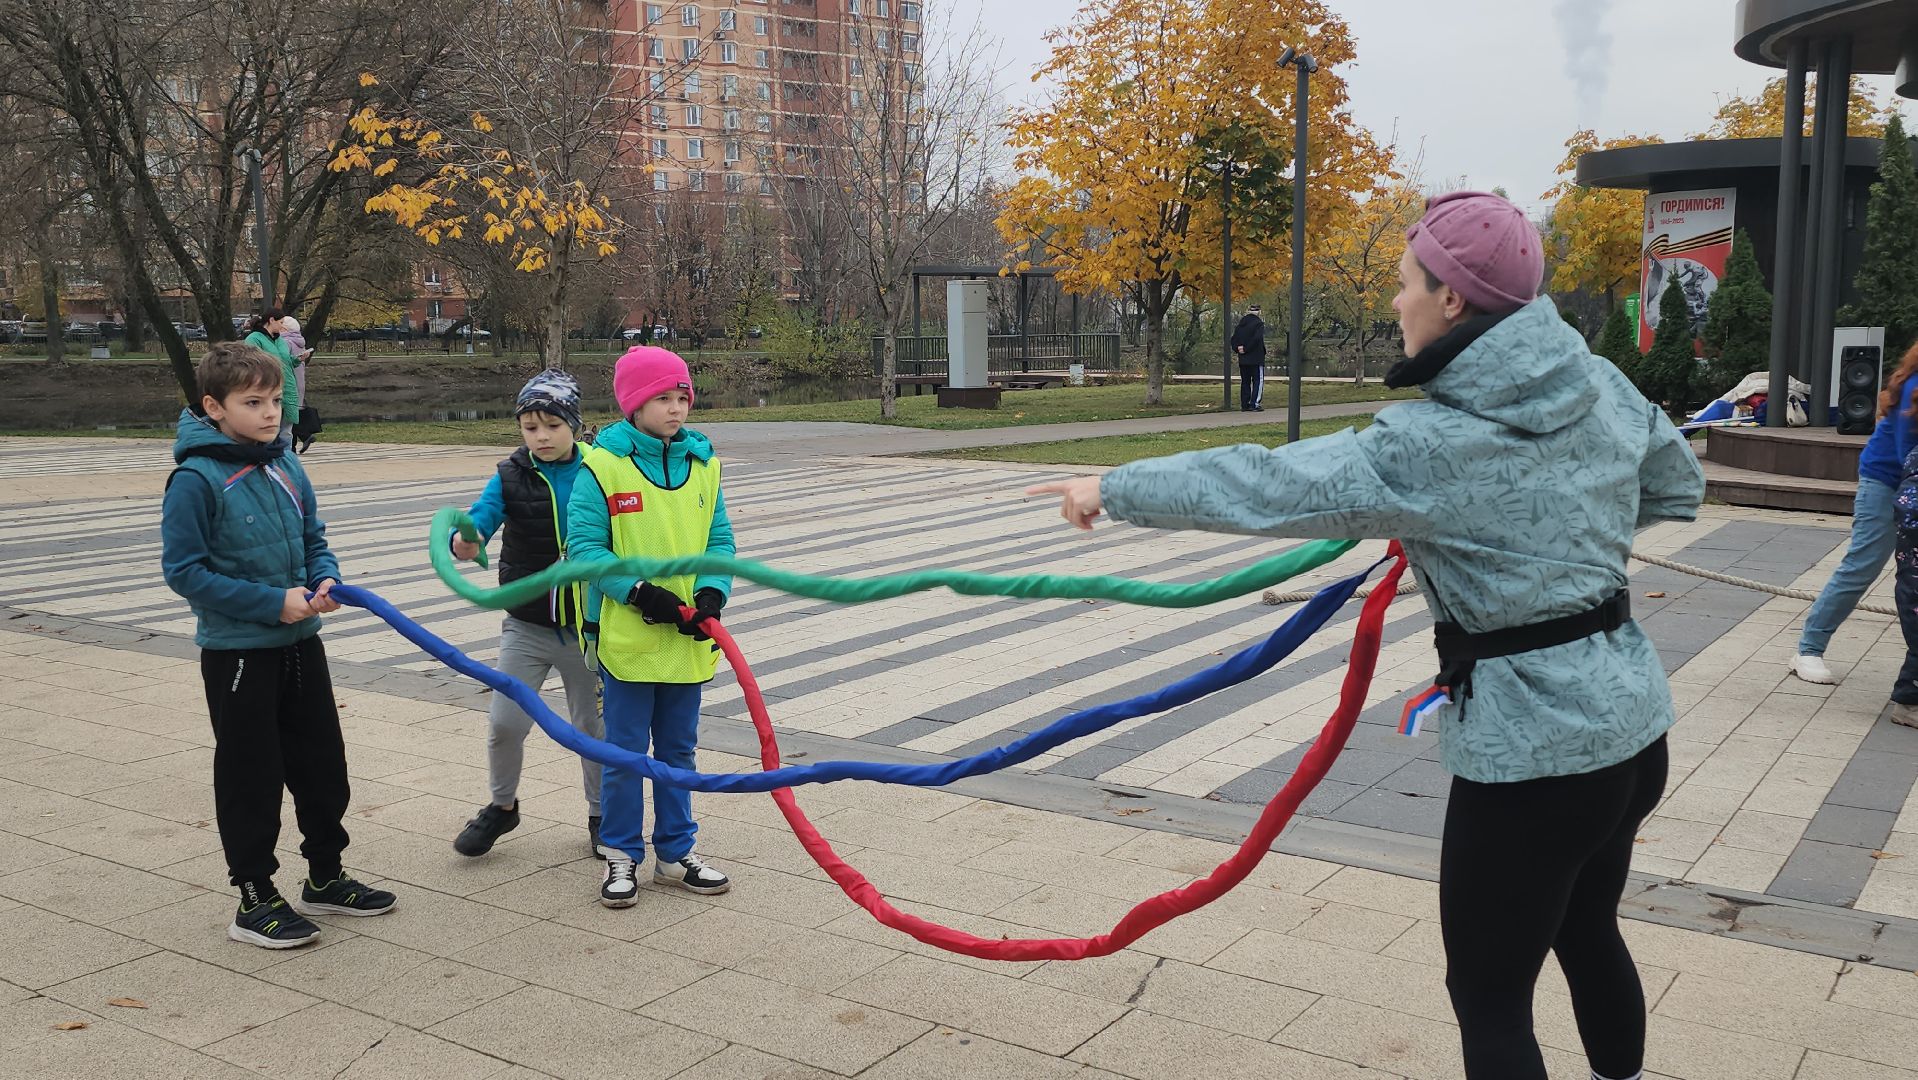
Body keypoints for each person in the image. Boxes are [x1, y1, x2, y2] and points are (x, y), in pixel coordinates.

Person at [1030, 191, 1702, 1080]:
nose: (1395, 303)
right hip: (1631, 731)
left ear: (1453, 300)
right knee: (1586, 928)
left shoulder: (1426, 445)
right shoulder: (1601, 384)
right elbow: (1673, 485)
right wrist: (1551, 534)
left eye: (1403, 284)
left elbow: (1265, 486)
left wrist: (1112, 489)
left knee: (1491, 1002)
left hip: (1533, 757)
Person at [160, 341, 396, 949]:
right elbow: (184, 572)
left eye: (274, 400)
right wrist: (272, 602)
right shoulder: (195, 480)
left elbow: (315, 537)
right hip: (239, 653)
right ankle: (254, 897)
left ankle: (325, 873)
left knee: (322, 764)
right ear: (214, 407)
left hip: (301, 645)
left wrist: (323, 577)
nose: (270, 414)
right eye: (253, 402)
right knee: (251, 774)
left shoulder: (286, 465)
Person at [568, 346, 735, 908]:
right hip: (629, 640)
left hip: (688, 638)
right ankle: (619, 854)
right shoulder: (603, 467)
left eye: (682, 396)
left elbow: (719, 541)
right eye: (662, 398)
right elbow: (585, 550)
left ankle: (675, 850)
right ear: (634, 405)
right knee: (625, 753)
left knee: (679, 751)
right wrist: (639, 593)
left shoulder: (705, 464)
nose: (676, 408)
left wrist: (713, 593)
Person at [448, 371, 606, 859]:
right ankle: (502, 806)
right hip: (526, 625)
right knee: (505, 724)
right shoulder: (510, 475)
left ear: (574, 426)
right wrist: (463, 540)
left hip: (588, 628)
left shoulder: (600, 469)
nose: (540, 437)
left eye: (552, 426)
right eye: (530, 427)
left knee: (594, 730)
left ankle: (604, 815)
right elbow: (474, 529)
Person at [1791, 341, 1918, 685]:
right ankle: (1809, 649)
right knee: (1862, 565)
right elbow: (1910, 453)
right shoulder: (1914, 385)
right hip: (1888, 481)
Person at [242, 309, 301, 442]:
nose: (283, 326)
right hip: (268, 389)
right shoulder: (254, 339)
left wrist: (297, 360)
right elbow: (250, 363)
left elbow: (285, 361)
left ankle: (284, 460)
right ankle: (267, 459)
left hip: (287, 388)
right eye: (281, 322)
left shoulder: (280, 340)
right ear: (271, 320)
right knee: (269, 431)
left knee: (286, 432)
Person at [1231, 303, 1267, 412]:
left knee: (1245, 381)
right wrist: (1247, 348)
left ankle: (1244, 404)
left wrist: (1238, 348)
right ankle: (1254, 404)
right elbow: (1257, 339)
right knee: (1258, 380)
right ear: (1259, 312)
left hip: (1243, 359)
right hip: (1256, 358)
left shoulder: (1240, 325)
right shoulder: (1259, 324)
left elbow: (1233, 339)